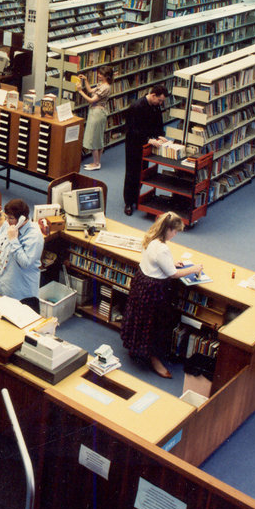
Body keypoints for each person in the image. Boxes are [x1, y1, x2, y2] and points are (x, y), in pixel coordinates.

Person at [120, 212, 202, 379]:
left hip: (141, 283)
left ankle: (135, 347)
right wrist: (194, 269)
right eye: (175, 231)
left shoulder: (151, 238)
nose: (176, 235)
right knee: (155, 325)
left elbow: (155, 260)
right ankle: (154, 359)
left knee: (140, 319)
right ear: (168, 229)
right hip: (154, 290)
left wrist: (171, 263)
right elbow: (173, 275)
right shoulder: (163, 248)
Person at [0, 198, 44, 311]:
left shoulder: (34, 236)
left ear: (22, 219)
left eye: (11, 218)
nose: (7, 221)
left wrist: (14, 239)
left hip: (21, 294)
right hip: (1, 287)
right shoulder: (6, 225)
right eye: (6, 217)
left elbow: (25, 263)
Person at [123, 84, 167, 216]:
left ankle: (136, 196)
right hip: (134, 144)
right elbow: (132, 130)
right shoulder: (136, 107)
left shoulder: (155, 106)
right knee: (132, 173)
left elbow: (158, 123)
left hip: (147, 145)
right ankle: (128, 203)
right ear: (153, 95)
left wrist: (160, 135)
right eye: (159, 100)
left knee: (142, 171)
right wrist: (148, 139)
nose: (160, 103)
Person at [75, 65, 113, 171]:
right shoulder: (103, 84)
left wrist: (80, 91)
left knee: (93, 138)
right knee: (98, 137)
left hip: (97, 113)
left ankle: (96, 164)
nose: (98, 75)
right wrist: (86, 80)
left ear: (106, 76)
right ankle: (97, 161)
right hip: (97, 112)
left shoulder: (105, 88)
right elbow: (91, 91)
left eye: (100, 74)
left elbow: (92, 100)